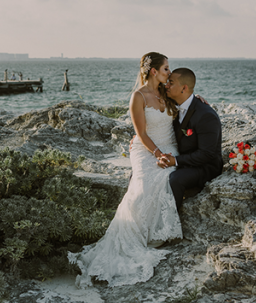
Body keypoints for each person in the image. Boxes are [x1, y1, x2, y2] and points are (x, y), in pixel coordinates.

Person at [68, 52, 183, 288]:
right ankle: (139, 237)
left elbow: (185, 100)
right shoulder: (138, 97)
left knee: (169, 176)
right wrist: (157, 154)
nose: (169, 73)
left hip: (170, 145)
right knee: (144, 185)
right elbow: (141, 133)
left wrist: (197, 98)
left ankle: (157, 234)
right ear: (154, 71)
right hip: (145, 148)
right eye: (166, 69)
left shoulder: (165, 91)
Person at [156, 68, 223, 212]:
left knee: (175, 179)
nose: (166, 85)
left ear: (184, 88)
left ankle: (170, 220)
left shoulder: (206, 115)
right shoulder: (174, 103)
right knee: (149, 170)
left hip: (205, 166)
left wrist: (176, 161)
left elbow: (207, 154)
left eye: (171, 83)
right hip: (184, 159)